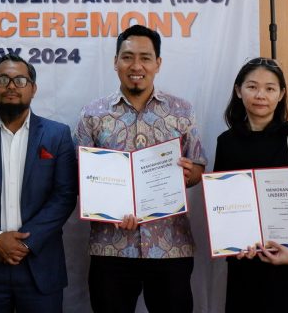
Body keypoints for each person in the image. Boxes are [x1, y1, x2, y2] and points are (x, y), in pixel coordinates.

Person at [74, 24, 208, 313]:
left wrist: (189, 174)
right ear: (115, 62)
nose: (136, 66)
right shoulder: (92, 114)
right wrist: (109, 207)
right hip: (111, 246)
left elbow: (198, 166)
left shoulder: (181, 111)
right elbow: (79, 176)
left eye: (145, 58)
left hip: (170, 245)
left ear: (158, 63)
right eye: (127, 57)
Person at [0, 54, 78, 312]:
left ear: (33, 88)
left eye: (20, 80)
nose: (11, 86)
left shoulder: (57, 134)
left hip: (39, 263)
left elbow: (64, 195)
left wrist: (26, 242)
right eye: (3, 80)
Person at [213, 58, 288, 313]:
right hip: (246, 264)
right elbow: (222, 203)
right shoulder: (226, 142)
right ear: (238, 90)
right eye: (252, 87)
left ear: (281, 94)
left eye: (270, 88)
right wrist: (232, 242)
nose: (260, 95)